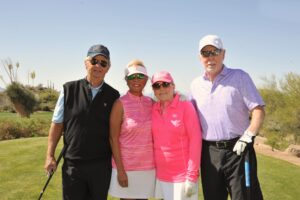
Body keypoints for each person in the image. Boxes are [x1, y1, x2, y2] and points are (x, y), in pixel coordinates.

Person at [190, 34, 265, 200]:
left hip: (238, 149)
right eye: (205, 53)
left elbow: (258, 110)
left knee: (245, 197)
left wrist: (249, 135)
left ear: (223, 54)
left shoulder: (240, 77)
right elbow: (190, 120)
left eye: (214, 52)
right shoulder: (195, 85)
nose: (210, 57)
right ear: (200, 57)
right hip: (209, 153)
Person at [44, 44, 120, 200]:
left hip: (101, 166)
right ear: (86, 63)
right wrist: (49, 155)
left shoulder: (113, 96)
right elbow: (57, 124)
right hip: (73, 165)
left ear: (108, 68)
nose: (98, 65)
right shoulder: (69, 89)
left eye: (103, 63)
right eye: (94, 61)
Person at [108, 59, 156, 199]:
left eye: (140, 76)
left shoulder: (151, 103)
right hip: (127, 169)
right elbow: (113, 138)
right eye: (132, 76)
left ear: (146, 79)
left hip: (148, 168)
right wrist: (121, 171)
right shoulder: (119, 104)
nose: (136, 80)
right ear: (126, 80)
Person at [151, 71, 202, 200]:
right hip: (161, 175)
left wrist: (191, 176)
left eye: (165, 84)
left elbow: (195, 141)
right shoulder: (153, 108)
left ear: (173, 86)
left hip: (182, 176)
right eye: (157, 86)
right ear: (153, 90)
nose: (161, 88)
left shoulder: (186, 106)